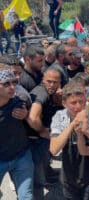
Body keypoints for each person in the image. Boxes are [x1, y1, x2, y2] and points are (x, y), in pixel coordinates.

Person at [50, 81, 89, 200]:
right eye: (73, 103)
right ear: (64, 103)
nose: (78, 106)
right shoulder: (59, 117)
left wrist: (87, 131)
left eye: (81, 101)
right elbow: (54, 149)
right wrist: (72, 124)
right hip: (68, 177)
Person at [27, 68, 62, 199]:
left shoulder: (48, 92)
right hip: (37, 142)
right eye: (49, 81)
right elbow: (33, 117)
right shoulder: (42, 94)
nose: (52, 85)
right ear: (43, 80)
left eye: (55, 82)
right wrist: (42, 130)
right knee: (37, 180)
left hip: (38, 142)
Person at [0, 67, 34, 200]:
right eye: (6, 83)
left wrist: (26, 115)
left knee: (26, 196)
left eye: (14, 82)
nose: (12, 87)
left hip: (21, 157)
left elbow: (34, 119)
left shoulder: (18, 102)